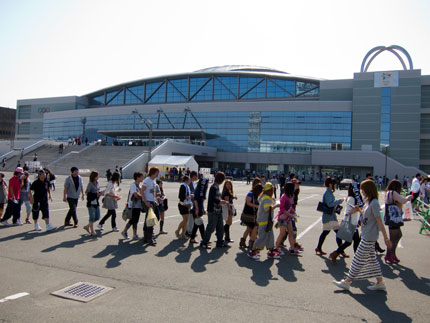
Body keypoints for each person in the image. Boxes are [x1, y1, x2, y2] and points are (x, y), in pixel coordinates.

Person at [333, 179, 392, 291]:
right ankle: (380, 282)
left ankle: (347, 281)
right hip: (366, 234)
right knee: (372, 260)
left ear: (368, 190)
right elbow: (367, 216)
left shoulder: (374, 203)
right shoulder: (368, 201)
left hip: (369, 236)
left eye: (363, 190)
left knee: (357, 260)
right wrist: (359, 210)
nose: (362, 192)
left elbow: (379, 221)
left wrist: (386, 238)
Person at [329, 183, 363, 263]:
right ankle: (335, 254)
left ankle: (355, 257)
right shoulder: (351, 198)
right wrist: (359, 208)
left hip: (352, 222)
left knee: (354, 241)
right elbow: (351, 210)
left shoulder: (351, 197)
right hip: (350, 222)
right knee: (350, 241)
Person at [248, 182, 281, 260]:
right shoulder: (266, 198)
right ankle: (253, 251)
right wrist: (275, 206)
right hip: (264, 221)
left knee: (270, 236)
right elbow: (267, 209)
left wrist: (273, 201)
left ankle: (271, 251)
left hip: (266, 221)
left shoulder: (263, 196)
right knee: (262, 237)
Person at [384, 179, 413, 264]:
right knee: (393, 238)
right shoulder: (393, 193)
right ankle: (389, 255)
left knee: (398, 235)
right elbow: (403, 200)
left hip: (392, 218)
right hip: (394, 218)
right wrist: (409, 197)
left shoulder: (388, 192)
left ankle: (392, 254)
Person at [315, 177, 344, 255]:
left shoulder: (329, 192)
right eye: (334, 184)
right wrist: (339, 201)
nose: (335, 186)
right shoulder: (327, 193)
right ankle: (341, 251)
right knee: (338, 233)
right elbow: (330, 204)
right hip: (329, 217)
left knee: (326, 232)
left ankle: (318, 248)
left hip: (330, 216)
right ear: (330, 184)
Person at [200, 172, 227, 249]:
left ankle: (219, 242)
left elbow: (217, 198)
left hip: (218, 210)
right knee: (211, 227)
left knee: (220, 227)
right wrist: (220, 201)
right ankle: (204, 242)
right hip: (213, 210)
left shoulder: (217, 187)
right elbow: (212, 199)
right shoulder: (213, 187)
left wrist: (221, 201)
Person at [274, 182, 301, 255]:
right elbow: (282, 209)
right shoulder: (284, 197)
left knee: (291, 233)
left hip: (288, 218)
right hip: (282, 218)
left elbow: (290, 207)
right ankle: (276, 247)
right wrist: (291, 215)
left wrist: (294, 213)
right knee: (282, 233)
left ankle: (293, 248)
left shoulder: (291, 196)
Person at [240, 178, 263, 249]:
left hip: (253, 215)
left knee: (249, 228)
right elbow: (248, 203)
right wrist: (256, 206)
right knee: (252, 228)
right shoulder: (251, 194)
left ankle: (243, 241)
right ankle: (251, 242)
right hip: (248, 214)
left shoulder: (256, 196)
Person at [121, 172, 144, 240]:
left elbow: (140, 194)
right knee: (133, 220)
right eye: (141, 177)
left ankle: (134, 234)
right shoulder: (133, 185)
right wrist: (142, 196)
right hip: (133, 205)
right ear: (137, 178)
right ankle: (124, 231)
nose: (142, 178)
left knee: (136, 220)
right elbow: (136, 195)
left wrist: (141, 196)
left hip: (138, 205)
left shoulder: (139, 186)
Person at [141, 167, 160, 245]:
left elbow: (153, 191)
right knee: (150, 220)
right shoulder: (147, 180)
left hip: (153, 201)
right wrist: (145, 202)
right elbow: (142, 191)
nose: (158, 174)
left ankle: (146, 237)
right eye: (157, 173)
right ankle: (149, 238)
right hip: (148, 202)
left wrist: (155, 199)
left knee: (153, 218)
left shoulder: (153, 180)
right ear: (153, 172)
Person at [190, 177, 209, 244]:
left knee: (196, 225)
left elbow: (202, 201)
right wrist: (197, 209)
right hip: (196, 209)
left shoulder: (202, 190)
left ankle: (192, 238)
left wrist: (203, 209)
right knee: (201, 225)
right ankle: (204, 239)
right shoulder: (198, 190)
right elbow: (195, 200)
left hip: (199, 208)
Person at [83, 171, 102, 236]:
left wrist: (100, 193)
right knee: (91, 217)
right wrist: (95, 194)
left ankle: (87, 226)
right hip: (91, 202)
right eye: (97, 176)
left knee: (97, 217)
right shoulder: (90, 184)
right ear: (94, 177)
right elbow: (87, 193)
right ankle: (92, 231)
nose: (98, 177)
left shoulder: (97, 183)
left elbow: (98, 190)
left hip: (96, 202)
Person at [221, 179, 237, 243]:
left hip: (228, 207)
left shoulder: (228, 191)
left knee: (228, 223)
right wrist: (230, 210)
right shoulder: (226, 192)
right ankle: (221, 232)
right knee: (229, 223)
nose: (228, 185)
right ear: (225, 185)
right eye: (227, 184)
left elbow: (229, 198)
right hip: (227, 208)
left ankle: (227, 237)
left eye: (229, 184)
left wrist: (233, 197)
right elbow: (227, 202)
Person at [185, 171, 198, 236]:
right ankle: (188, 231)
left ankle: (189, 230)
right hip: (189, 202)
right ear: (194, 176)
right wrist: (192, 194)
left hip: (192, 202)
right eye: (196, 176)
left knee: (191, 217)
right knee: (190, 218)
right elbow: (187, 192)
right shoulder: (189, 182)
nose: (197, 177)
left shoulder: (192, 182)